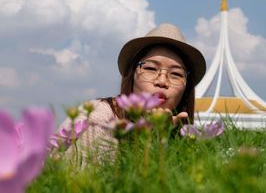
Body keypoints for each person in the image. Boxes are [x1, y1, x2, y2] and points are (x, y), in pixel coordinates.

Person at [54, 23, 206, 154]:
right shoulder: (99, 115)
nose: (162, 81)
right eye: (151, 69)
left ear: (186, 88)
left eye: (175, 74)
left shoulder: (187, 141)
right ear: (132, 74)